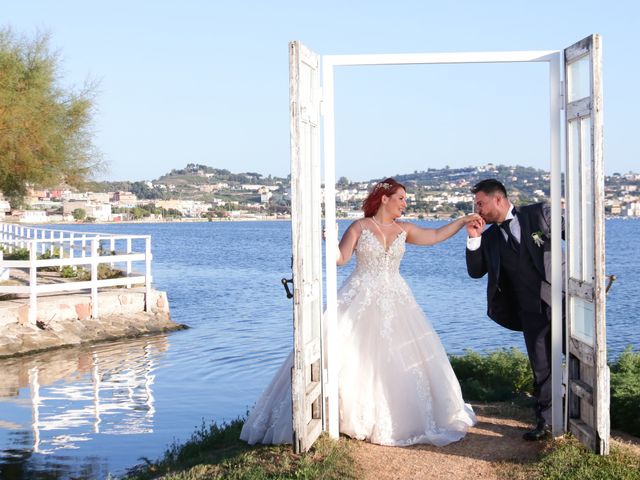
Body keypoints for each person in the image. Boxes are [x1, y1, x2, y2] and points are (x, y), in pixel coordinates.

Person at [241, 178, 479, 447]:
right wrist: (330, 239)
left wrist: (462, 222)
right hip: (359, 296)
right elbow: (340, 259)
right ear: (384, 199)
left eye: (405, 199)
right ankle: (335, 417)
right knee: (347, 353)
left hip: (396, 298)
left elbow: (434, 236)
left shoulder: (404, 229)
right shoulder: (360, 226)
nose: (405, 203)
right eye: (401, 198)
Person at [465, 178, 558, 441]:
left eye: (480, 203)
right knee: (542, 367)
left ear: (498, 199)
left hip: (561, 302)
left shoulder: (538, 214)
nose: (477, 209)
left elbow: (574, 234)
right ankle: (546, 423)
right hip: (529, 311)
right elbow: (475, 272)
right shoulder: (491, 237)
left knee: (577, 361)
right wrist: (474, 239)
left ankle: (578, 415)